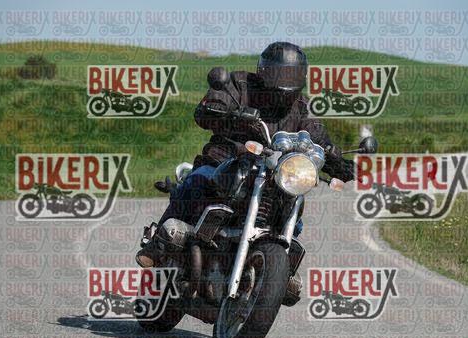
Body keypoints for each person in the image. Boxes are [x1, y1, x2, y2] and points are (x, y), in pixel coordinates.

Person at [136, 41, 355, 268]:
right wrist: (218, 108)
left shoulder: (302, 107)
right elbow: (209, 108)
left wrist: (337, 160)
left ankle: (282, 269)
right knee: (198, 181)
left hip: (275, 177)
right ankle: (157, 243)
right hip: (225, 161)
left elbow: (317, 137)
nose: (284, 80)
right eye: (278, 73)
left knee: (294, 210)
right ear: (263, 71)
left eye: (291, 74)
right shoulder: (241, 84)